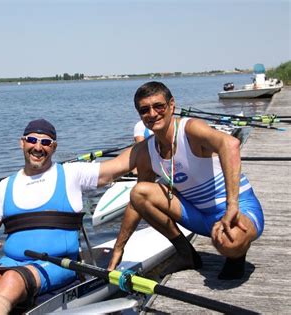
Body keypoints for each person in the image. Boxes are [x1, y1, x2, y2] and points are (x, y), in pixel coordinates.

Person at [0, 118, 134, 315]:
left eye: (46, 142)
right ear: (22, 143)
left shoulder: (71, 174)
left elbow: (118, 165)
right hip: (11, 262)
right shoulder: (4, 186)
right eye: (32, 140)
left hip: (59, 263)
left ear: (54, 147)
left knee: (11, 279)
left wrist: (154, 141)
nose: (38, 147)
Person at [108, 81, 264, 280]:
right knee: (139, 193)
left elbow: (231, 144)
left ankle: (236, 257)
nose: (152, 114)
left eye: (159, 106)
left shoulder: (190, 129)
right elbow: (136, 204)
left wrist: (231, 205)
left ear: (171, 105)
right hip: (199, 216)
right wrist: (118, 248)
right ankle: (186, 253)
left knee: (230, 242)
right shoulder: (146, 152)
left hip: (239, 208)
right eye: (145, 110)